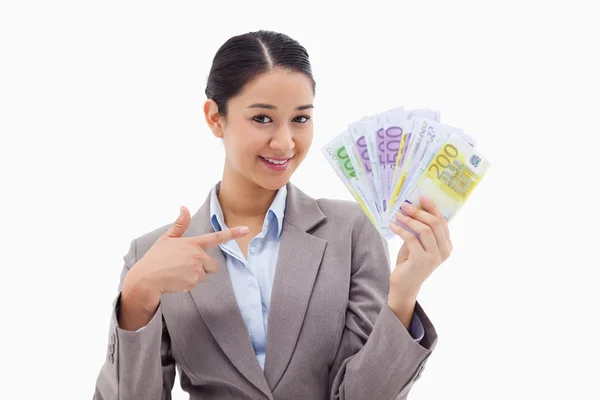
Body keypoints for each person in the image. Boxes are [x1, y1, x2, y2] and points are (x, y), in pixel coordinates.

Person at [93, 30, 452, 400]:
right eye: (262, 118)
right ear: (216, 117)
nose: (285, 143)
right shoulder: (152, 254)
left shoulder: (351, 233)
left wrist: (403, 296)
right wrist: (137, 295)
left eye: (300, 119)